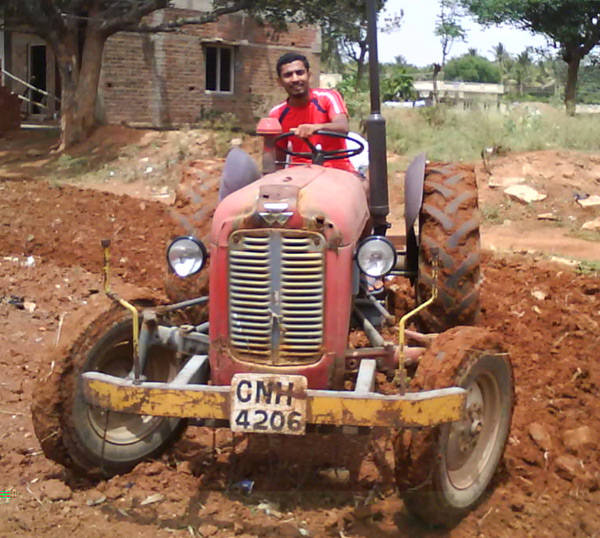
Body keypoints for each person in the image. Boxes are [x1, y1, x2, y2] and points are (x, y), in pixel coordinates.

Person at [269, 52, 357, 173]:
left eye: (300, 73)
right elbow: (279, 156)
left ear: (309, 75)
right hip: (299, 170)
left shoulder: (328, 97)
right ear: (279, 81)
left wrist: (315, 128)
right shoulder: (277, 114)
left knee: (365, 185)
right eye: (288, 75)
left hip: (337, 168)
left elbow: (342, 126)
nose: (295, 79)